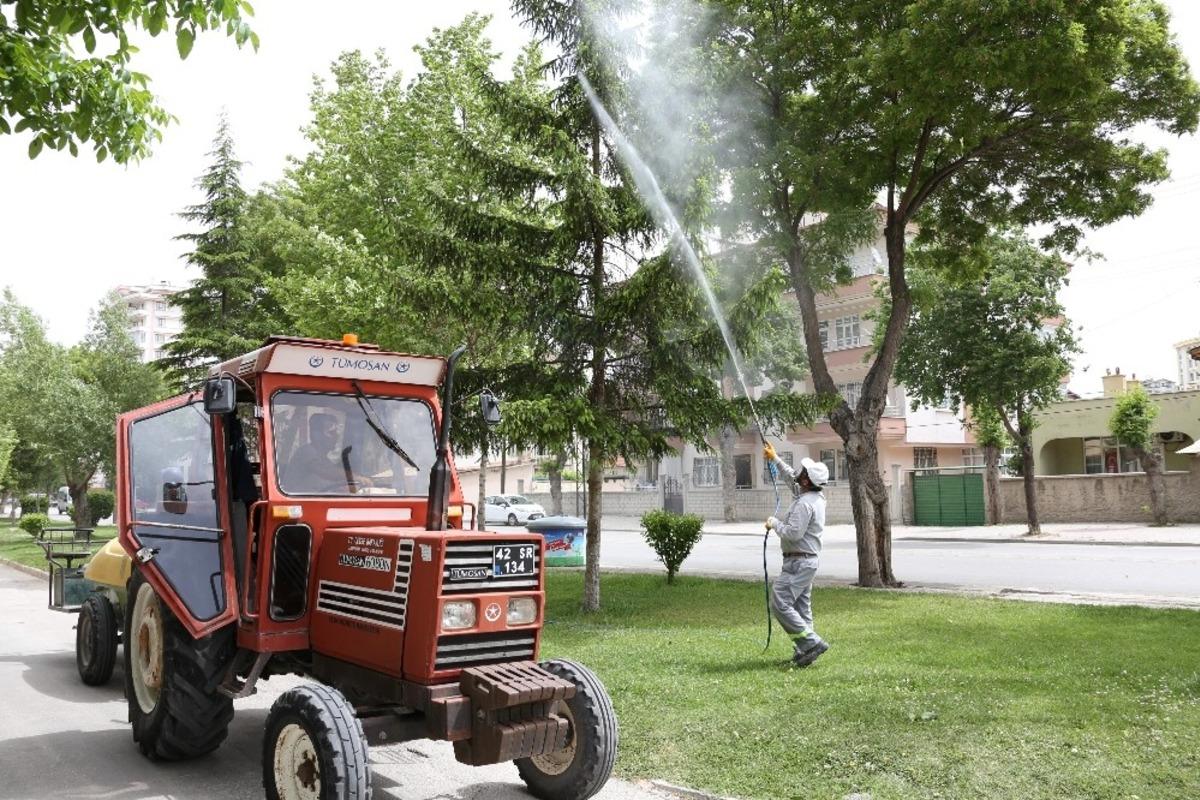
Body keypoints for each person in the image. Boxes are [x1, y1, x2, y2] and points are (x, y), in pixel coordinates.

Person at [763, 442, 830, 668]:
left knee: (780, 602)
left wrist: (774, 524)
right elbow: (791, 477)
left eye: (803, 473)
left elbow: (793, 532)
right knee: (802, 608)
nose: (799, 473)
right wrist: (775, 458)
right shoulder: (812, 497)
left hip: (798, 563)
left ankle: (812, 643)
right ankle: (804, 651)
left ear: (807, 481)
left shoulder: (804, 505)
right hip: (805, 562)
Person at [284, 413, 352, 493]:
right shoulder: (306, 452)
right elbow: (326, 472)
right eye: (331, 432)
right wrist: (354, 476)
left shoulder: (326, 461)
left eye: (336, 432)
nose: (337, 436)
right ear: (317, 435)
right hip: (297, 503)